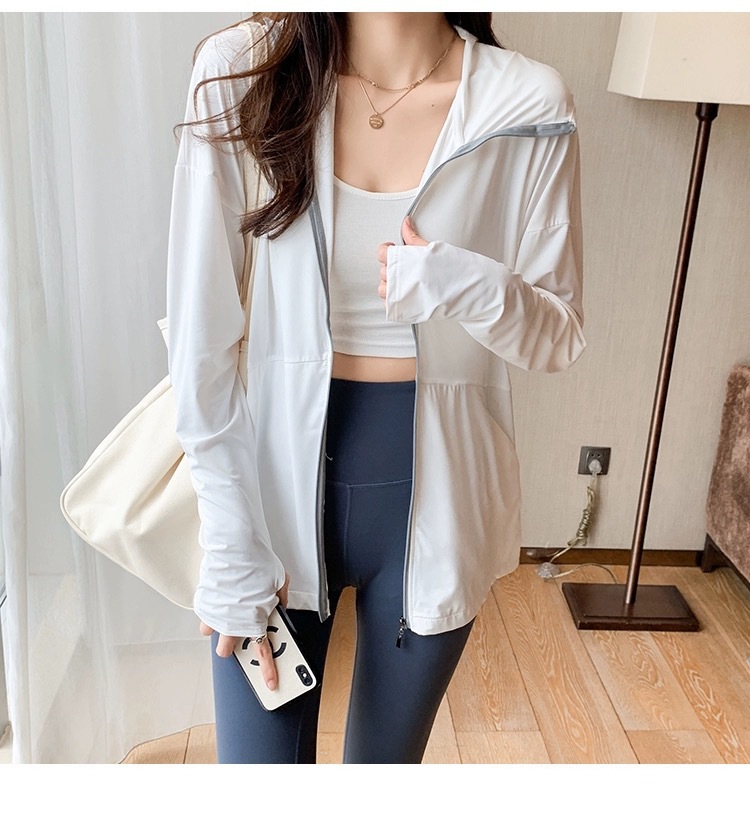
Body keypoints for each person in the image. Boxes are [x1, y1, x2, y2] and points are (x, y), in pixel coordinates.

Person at [166, 12, 586, 764]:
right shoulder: (242, 72)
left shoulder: (526, 102)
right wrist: (230, 539)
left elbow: (557, 337)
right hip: (267, 494)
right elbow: (202, 340)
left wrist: (469, 283)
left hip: (439, 499)